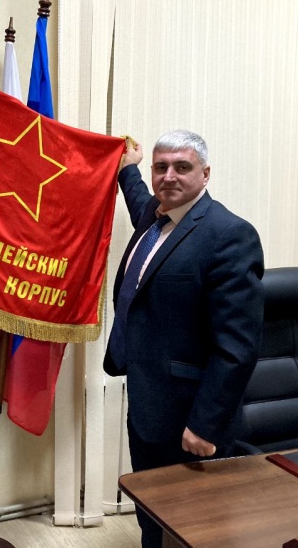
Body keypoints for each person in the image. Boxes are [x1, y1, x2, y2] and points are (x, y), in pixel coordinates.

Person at [104, 130, 264, 548]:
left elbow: (237, 346)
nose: (169, 176)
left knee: (191, 524)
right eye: (161, 167)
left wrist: (205, 425)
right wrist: (128, 168)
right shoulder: (155, 217)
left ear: (205, 174)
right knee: (151, 511)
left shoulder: (229, 235)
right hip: (147, 403)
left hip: (189, 417)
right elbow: (139, 198)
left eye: (182, 167)